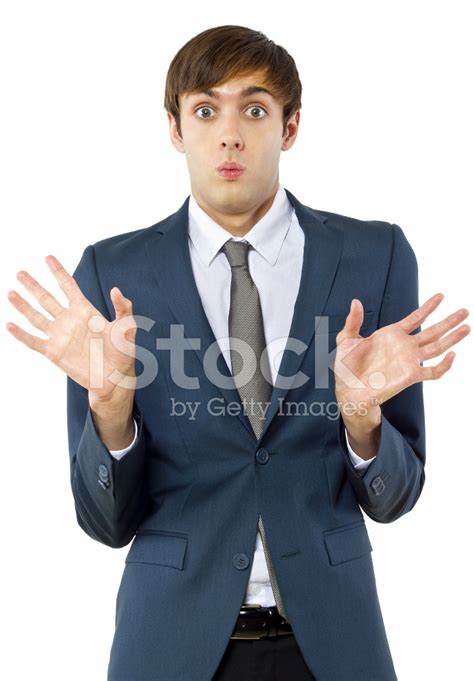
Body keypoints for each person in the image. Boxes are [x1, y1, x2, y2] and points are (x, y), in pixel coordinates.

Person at [6, 24, 470, 681]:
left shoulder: (375, 257)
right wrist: (110, 412)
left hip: (334, 646)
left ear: (291, 127)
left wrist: (363, 423)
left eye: (254, 109)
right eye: (205, 110)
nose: (230, 134)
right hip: (170, 648)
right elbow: (104, 523)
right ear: (175, 128)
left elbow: (396, 497)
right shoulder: (114, 274)